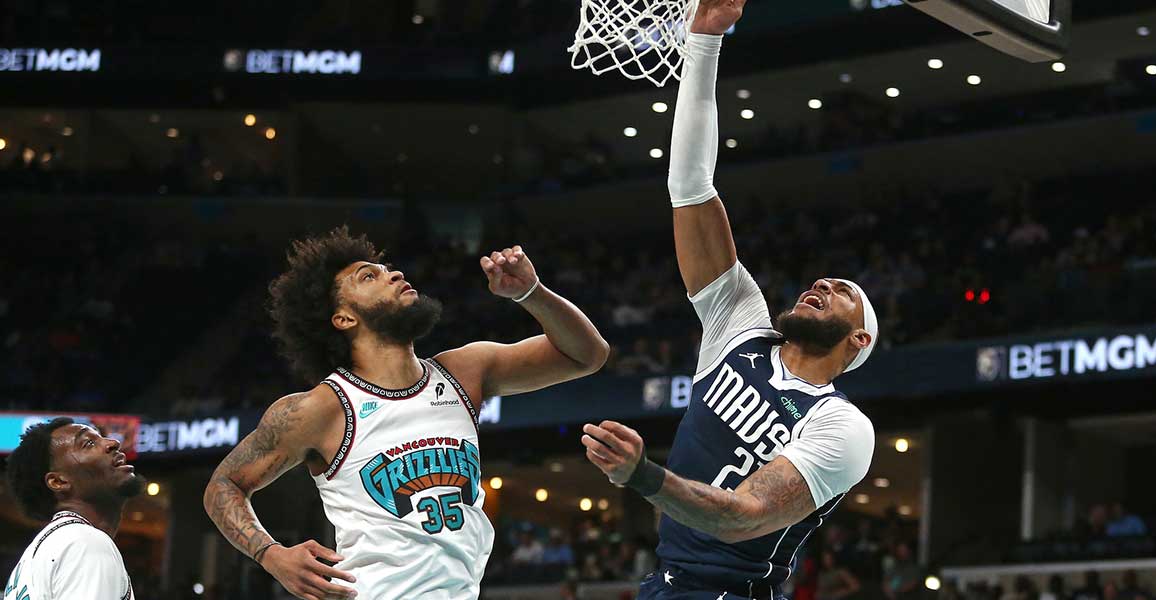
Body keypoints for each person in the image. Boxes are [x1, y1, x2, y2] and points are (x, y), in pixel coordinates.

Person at [579, 2, 876, 599]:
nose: (820, 284)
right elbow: (690, 186)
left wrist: (641, 475)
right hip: (662, 583)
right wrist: (705, 41)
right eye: (820, 281)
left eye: (841, 292)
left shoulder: (842, 426)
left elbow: (742, 516)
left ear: (859, 339)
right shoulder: (739, 326)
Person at [204, 227, 609, 600]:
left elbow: (587, 355)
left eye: (388, 268)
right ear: (343, 318)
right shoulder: (321, 408)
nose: (393, 274)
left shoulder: (463, 371)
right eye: (369, 276)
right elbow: (223, 485)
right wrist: (271, 555)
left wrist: (531, 293)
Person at [4, 417, 145, 600]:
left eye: (101, 437)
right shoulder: (85, 543)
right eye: (88, 443)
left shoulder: (41, 553)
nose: (113, 442)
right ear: (59, 481)